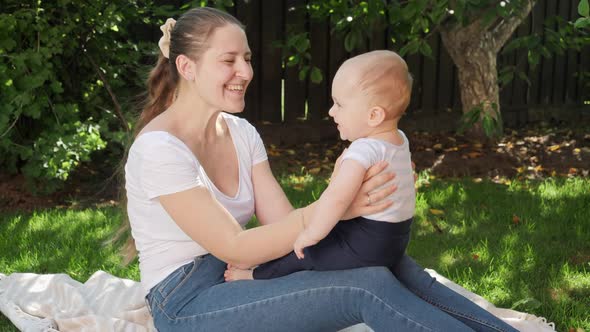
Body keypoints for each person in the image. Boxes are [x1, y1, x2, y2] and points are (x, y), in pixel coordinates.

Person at [122, 6, 519, 332]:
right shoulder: (159, 149)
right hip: (187, 300)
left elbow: (284, 223)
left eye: (246, 58)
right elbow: (233, 245)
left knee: (389, 265)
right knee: (363, 288)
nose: (245, 72)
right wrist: (338, 206)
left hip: (241, 269)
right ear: (187, 68)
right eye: (229, 61)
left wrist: (354, 205)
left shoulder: (241, 133)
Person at [224, 50, 417, 281]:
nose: (331, 111)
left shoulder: (363, 150)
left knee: (307, 255)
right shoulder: (400, 141)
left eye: (339, 104)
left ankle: (252, 276)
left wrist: (311, 234)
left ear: (374, 116)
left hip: (366, 246)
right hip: (394, 242)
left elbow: (337, 199)